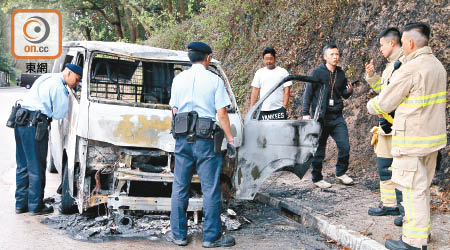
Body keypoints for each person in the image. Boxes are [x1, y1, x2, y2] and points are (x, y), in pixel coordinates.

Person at [367, 23, 446, 250]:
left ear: (409, 43)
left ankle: (412, 242)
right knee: (422, 189)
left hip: (411, 141)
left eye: (403, 41)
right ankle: (423, 235)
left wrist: (370, 106)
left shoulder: (411, 69)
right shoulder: (437, 66)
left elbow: (384, 102)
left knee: (411, 191)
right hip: (431, 140)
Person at [167, 42, 236, 248]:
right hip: (206, 141)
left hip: (182, 139)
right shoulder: (215, 80)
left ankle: (179, 235)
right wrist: (230, 139)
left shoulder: (178, 79)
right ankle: (211, 237)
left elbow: (174, 111)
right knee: (210, 189)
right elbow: (221, 113)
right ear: (207, 58)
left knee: (180, 187)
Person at [14, 64, 82, 215]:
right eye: (76, 80)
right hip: (35, 126)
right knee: (37, 167)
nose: (76, 84)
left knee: (23, 165)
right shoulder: (59, 87)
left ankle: (21, 204)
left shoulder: (46, 77)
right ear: (69, 73)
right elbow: (59, 114)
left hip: (20, 122)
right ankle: (35, 207)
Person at [302, 43, 355, 188]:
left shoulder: (341, 73)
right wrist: (305, 113)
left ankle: (340, 173)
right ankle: (317, 178)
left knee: (345, 146)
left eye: (337, 54)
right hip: (320, 117)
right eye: (332, 54)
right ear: (325, 57)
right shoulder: (316, 73)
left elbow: (343, 94)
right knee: (319, 149)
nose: (335, 57)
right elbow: (308, 93)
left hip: (337, 117)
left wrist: (349, 90)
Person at [365, 28, 404, 219]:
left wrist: (379, 109)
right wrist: (372, 77)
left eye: (381, 45)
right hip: (386, 124)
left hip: (397, 125)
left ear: (392, 43)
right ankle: (389, 204)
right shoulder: (391, 66)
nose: (380, 49)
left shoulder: (405, 64)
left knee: (401, 169)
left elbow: (397, 97)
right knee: (384, 165)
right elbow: (385, 90)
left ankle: (405, 211)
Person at [250, 47, 292, 120]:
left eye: (270, 58)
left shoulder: (283, 72)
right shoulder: (259, 73)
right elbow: (255, 91)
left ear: (275, 58)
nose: (268, 61)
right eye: (266, 59)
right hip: (263, 110)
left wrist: (284, 106)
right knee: (264, 131)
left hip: (279, 109)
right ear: (263, 59)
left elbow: (287, 90)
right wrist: (252, 107)